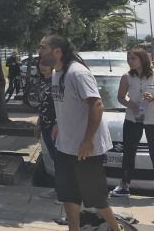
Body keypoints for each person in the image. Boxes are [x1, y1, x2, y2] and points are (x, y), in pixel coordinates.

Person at [37, 35, 119, 231]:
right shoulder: (58, 74)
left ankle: (116, 229)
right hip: (65, 146)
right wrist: (58, 122)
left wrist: (87, 140)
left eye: (43, 47)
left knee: (96, 198)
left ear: (57, 52)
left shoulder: (77, 73)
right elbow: (67, 104)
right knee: (68, 194)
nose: (39, 51)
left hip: (86, 149)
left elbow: (97, 105)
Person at [111, 48, 154, 197]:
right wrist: (132, 105)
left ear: (142, 59)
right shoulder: (126, 77)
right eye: (128, 58)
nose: (130, 61)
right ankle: (124, 185)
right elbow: (120, 97)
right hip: (133, 119)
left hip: (152, 120)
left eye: (133, 58)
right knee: (129, 152)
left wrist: (153, 99)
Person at [34, 56, 58, 199]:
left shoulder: (56, 82)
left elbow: (61, 106)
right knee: (54, 159)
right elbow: (42, 106)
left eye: (46, 64)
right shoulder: (42, 82)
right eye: (40, 64)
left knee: (60, 161)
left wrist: (58, 123)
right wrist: (38, 123)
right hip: (44, 125)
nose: (43, 67)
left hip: (55, 127)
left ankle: (65, 192)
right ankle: (58, 188)